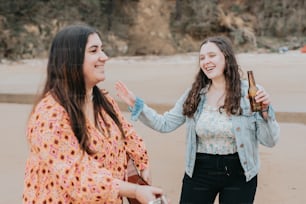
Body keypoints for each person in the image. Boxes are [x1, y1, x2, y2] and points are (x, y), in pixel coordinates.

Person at [115, 36, 280, 204]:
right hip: (200, 172)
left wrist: (266, 111)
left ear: (226, 57)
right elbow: (164, 124)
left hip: (240, 173)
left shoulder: (250, 92)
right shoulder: (194, 94)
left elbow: (270, 140)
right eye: (202, 58)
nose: (206, 61)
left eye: (211, 55)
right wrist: (136, 103)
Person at [22, 24, 164, 204]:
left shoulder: (103, 101)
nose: (104, 57)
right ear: (70, 58)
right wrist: (135, 191)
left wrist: (142, 163)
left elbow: (128, 134)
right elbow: (78, 176)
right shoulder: (49, 114)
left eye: (102, 49)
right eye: (94, 50)